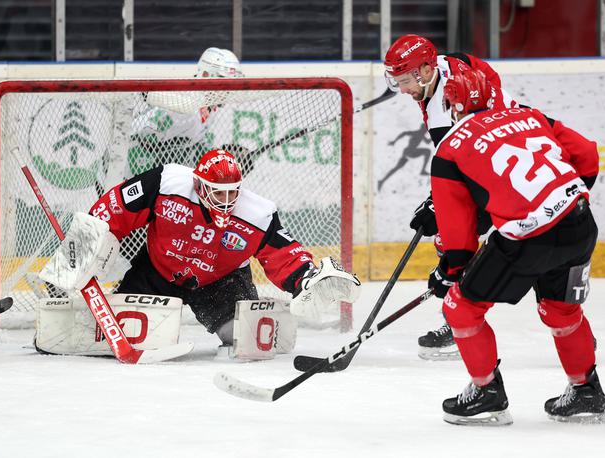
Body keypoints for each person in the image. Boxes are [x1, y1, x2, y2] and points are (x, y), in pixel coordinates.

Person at [429, 65, 605, 425]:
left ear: (453, 106)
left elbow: (458, 235)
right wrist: (565, 200)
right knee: (562, 312)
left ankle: (486, 393)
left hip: (529, 238)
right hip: (580, 221)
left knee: (461, 309)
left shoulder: (449, 150)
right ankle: (586, 390)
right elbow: (587, 154)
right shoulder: (529, 115)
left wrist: (450, 273)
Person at [60, 148, 360, 347]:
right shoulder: (166, 183)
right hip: (158, 272)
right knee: (120, 336)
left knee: (247, 343)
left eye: (232, 192)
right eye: (218, 192)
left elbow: (283, 255)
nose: (226, 200)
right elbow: (112, 210)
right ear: (199, 184)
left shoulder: (257, 214)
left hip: (222, 281)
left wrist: (304, 279)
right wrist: (78, 255)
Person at [383, 34, 518, 360]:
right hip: (512, 151)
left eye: (405, 80)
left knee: (455, 241)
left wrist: (437, 204)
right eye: (397, 80)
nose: (402, 90)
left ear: (427, 70)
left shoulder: (445, 116)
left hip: (503, 174)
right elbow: (490, 79)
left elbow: (462, 169)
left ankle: (462, 322)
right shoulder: (454, 62)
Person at [130, 47, 245, 176]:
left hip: (155, 170)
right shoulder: (185, 103)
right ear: (206, 74)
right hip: (131, 167)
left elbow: (195, 144)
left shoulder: (208, 106)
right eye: (226, 83)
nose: (229, 90)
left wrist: (224, 160)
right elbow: (138, 134)